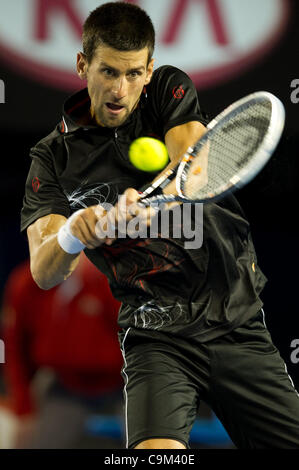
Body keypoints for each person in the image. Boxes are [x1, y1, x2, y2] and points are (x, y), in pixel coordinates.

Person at [21, 1, 299, 449]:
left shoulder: (169, 88)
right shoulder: (52, 158)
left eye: (134, 73)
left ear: (150, 70)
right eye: (108, 72)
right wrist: (75, 230)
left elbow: (195, 168)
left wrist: (149, 204)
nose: (121, 88)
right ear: (82, 66)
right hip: (154, 336)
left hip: (234, 318)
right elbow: (43, 270)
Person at [0, 256, 123, 449]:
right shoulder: (27, 282)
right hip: (63, 387)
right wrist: (23, 409)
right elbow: (14, 351)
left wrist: (101, 278)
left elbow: (144, 339)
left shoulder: (118, 275)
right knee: (28, 439)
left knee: (157, 443)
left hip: (126, 387)